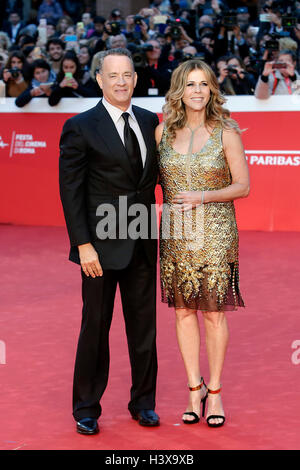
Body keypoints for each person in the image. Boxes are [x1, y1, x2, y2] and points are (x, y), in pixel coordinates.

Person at [59, 48, 160, 435]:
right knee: (95, 327)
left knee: (144, 328)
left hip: (142, 240)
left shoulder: (151, 120)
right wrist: (82, 245)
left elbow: (155, 178)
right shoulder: (81, 126)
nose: (121, 81)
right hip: (99, 246)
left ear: (136, 79)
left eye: (127, 75)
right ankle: (86, 407)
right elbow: (71, 191)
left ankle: (144, 402)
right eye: (112, 75)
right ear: (99, 80)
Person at [155, 59, 250, 427]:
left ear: (212, 89)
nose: (197, 91)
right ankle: (193, 389)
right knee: (182, 312)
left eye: (204, 84)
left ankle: (215, 394)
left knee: (213, 313)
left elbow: (242, 186)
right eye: (190, 84)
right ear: (179, 90)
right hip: (176, 235)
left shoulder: (226, 131)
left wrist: (202, 196)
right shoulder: (162, 133)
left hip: (215, 232)